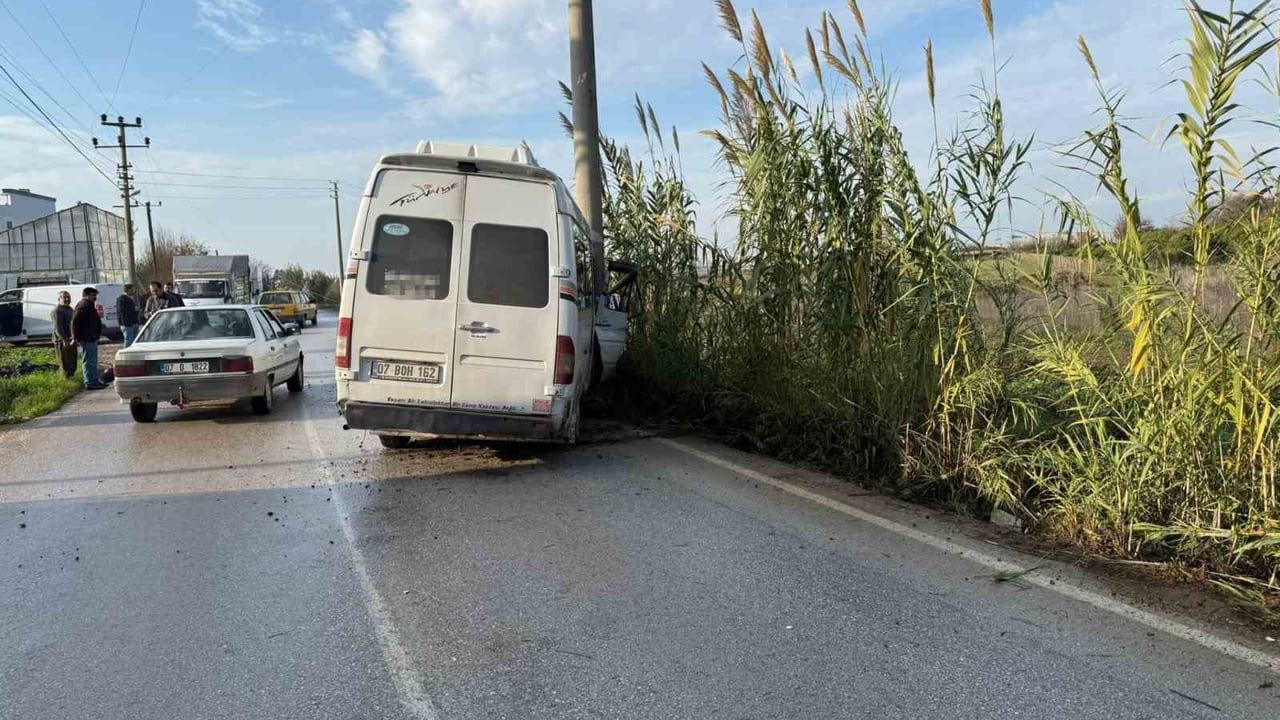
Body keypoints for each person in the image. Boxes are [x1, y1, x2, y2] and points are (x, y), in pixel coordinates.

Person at [70, 286, 106, 390]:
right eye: (93, 295)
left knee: (92, 361)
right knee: (89, 361)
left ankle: (94, 381)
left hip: (91, 337)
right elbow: (74, 322)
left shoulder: (88, 305)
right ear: (87, 295)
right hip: (86, 338)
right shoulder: (83, 305)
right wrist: (74, 337)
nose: (95, 298)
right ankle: (90, 382)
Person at [49, 290, 76, 379]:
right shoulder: (57, 311)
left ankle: (72, 378)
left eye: (68, 297)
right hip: (61, 341)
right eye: (65, 297)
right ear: (59, 299)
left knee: (72, 362)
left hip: (71, 339)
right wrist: (64, 339)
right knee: (64, 363)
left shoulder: (70, 309)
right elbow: (58, 327)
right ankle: (65, 380)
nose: (67, 299)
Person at [116, 283, 140, 348]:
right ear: (128, 290)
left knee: (134, 340)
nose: (134, 291)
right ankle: (126, 352)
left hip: (134, 323)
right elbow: (121, 310)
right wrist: (133, 308)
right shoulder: (121, 299)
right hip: (127, 324)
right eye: (132, 289)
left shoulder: (131, 298)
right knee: (128, 340)